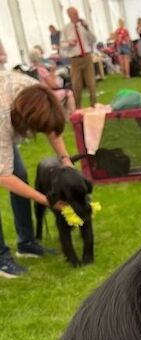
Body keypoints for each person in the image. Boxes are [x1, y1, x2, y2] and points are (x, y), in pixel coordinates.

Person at [0, 74, 71, 278]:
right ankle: (1, 258)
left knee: (20, 175)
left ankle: (26, 243)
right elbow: (3, 177)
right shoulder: (3, 114)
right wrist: (48, 200)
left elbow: (52, 128)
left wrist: (65, 160)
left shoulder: (37, 93)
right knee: (12, 176)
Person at [60, 7, 97, 107]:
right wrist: (69, 43)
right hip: (75, 59)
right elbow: (62, 45)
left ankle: (94, 105)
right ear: (69, 15)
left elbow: (93, 39)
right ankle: (78, 107)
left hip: (87, 56)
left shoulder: (83, 26)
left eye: (77, 13)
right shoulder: (66, 29)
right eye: (74, 14)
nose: (77, 16)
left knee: (91, 83)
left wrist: (87, 28)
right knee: (77, 85)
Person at [28, 48, 76, 118]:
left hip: (37, 96)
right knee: (69, 92)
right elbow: (53, 85)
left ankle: (65, 116)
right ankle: (72, 115)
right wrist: (53, 72)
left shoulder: (31, 70)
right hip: (47, 95)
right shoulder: (41, 70)